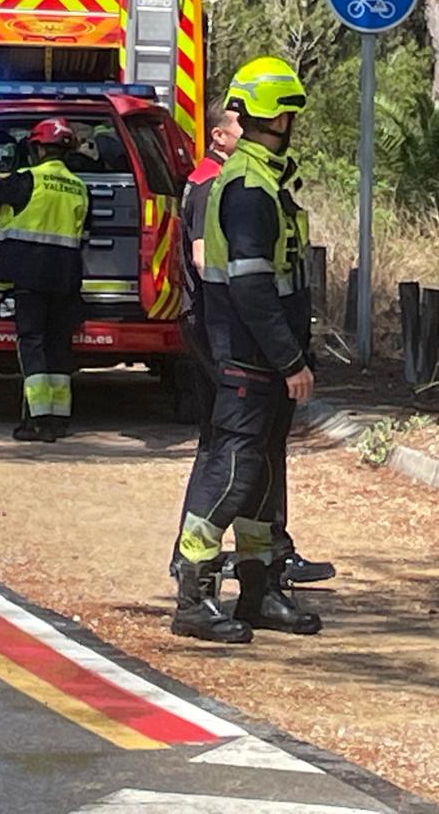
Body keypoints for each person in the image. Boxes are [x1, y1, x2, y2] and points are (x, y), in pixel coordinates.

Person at [171, 57, 322, 643]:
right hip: (250, 355)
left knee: (259, 474)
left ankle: (260, 591)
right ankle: (194, 595)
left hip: (258, 352)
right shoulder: (249, 187)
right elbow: (254, 286)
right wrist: (289, 359)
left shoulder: (262, 178)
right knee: (232, 471)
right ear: (281, 118)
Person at [0, 116, 89, 443]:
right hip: (65, 279)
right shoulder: (79, 187)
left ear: (37, 149)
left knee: (33, 343)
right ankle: (59, 421)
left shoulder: (27, 180)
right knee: (58, 346)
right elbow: (84, 234)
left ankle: (37, 421)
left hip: (29, 278)